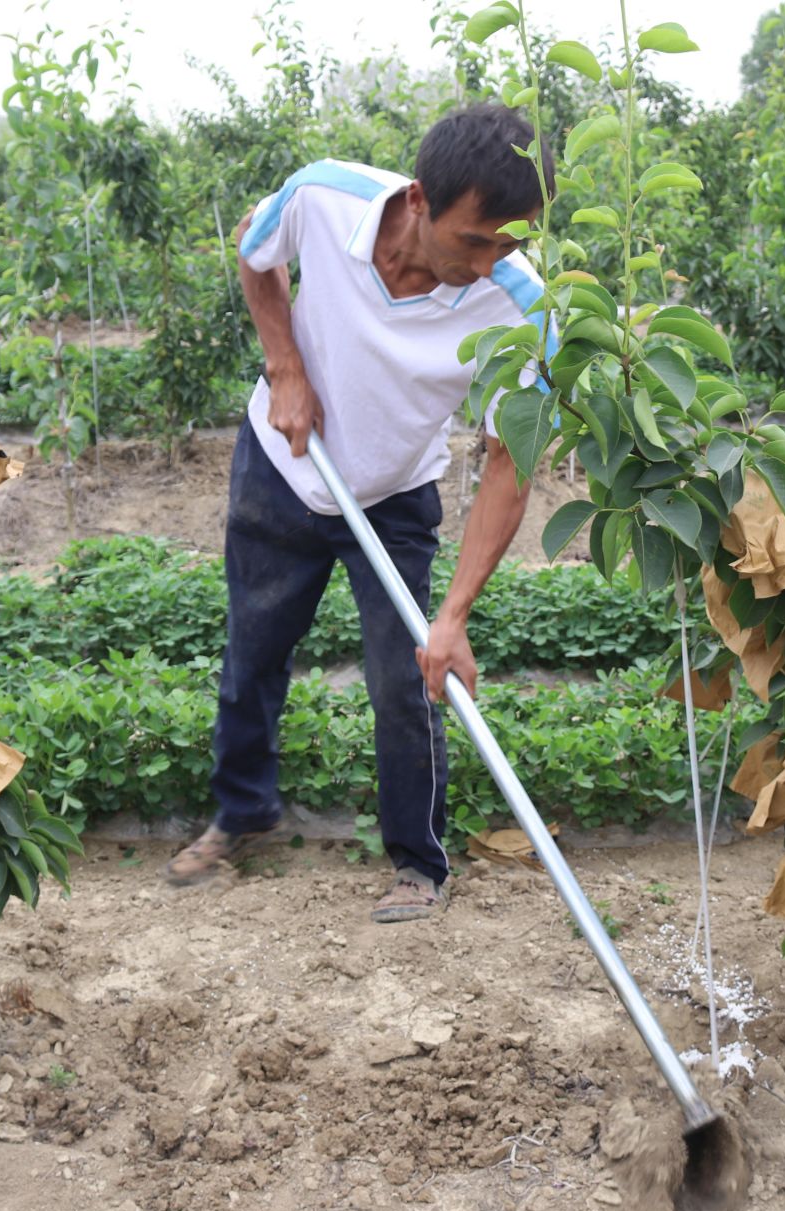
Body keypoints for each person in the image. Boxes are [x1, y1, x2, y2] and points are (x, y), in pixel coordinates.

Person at [163, 103, 553, 923]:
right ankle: (242, 813)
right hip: (284, 467)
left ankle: (419, 863)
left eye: (509, 243)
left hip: (394, 495)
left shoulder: (520, 305)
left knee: (408, 679)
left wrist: (454, 616)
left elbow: (510, 462)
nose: (488, 266)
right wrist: (286, 366)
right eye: (473, 240)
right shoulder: (322, 198)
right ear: (418, 200)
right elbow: (255, 252)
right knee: (252, 650)